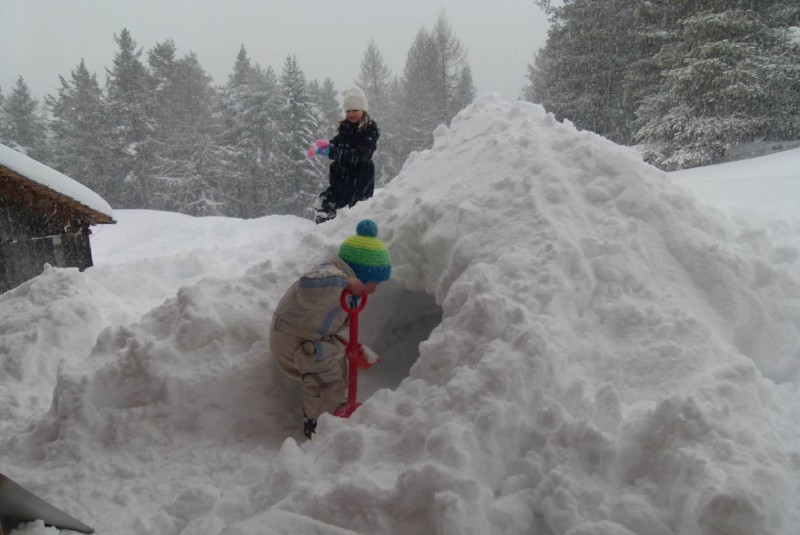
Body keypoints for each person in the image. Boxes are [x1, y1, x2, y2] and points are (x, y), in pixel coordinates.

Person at [269, 219, 392, 439]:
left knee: (337, 363)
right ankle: (317, 424)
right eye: (375, 283)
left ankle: (333, 404)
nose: (375, 290)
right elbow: (308, 282)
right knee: (326, 378)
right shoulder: (328, 276)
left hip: (309, 338)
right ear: (362, 276)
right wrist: (344, 281)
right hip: (292, 340)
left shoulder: (344, 290)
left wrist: (348, 345)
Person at [312, 87, 380, 225]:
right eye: (348, 111)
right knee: (323, 204)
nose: (351, 114)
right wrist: (327, 145)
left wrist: (333, 152)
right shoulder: (345, 129)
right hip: (341, 179)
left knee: (356, 213)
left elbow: (361, 155)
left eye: (355, 110)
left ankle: (350, 232)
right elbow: (337, 142)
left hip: (359, 179)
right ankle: (325, 232)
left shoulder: (369, 131)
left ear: (363, 109)